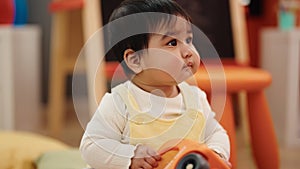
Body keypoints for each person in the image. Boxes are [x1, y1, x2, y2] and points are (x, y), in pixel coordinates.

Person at [80, 0, 230, 169]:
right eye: (172, 43)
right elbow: (91, 147)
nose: (188, 51)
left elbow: (216, 133)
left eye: (188, 39)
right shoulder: (120, 103)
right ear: (136, 60)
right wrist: (129, 156)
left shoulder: (195, 97)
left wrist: (215, 153)